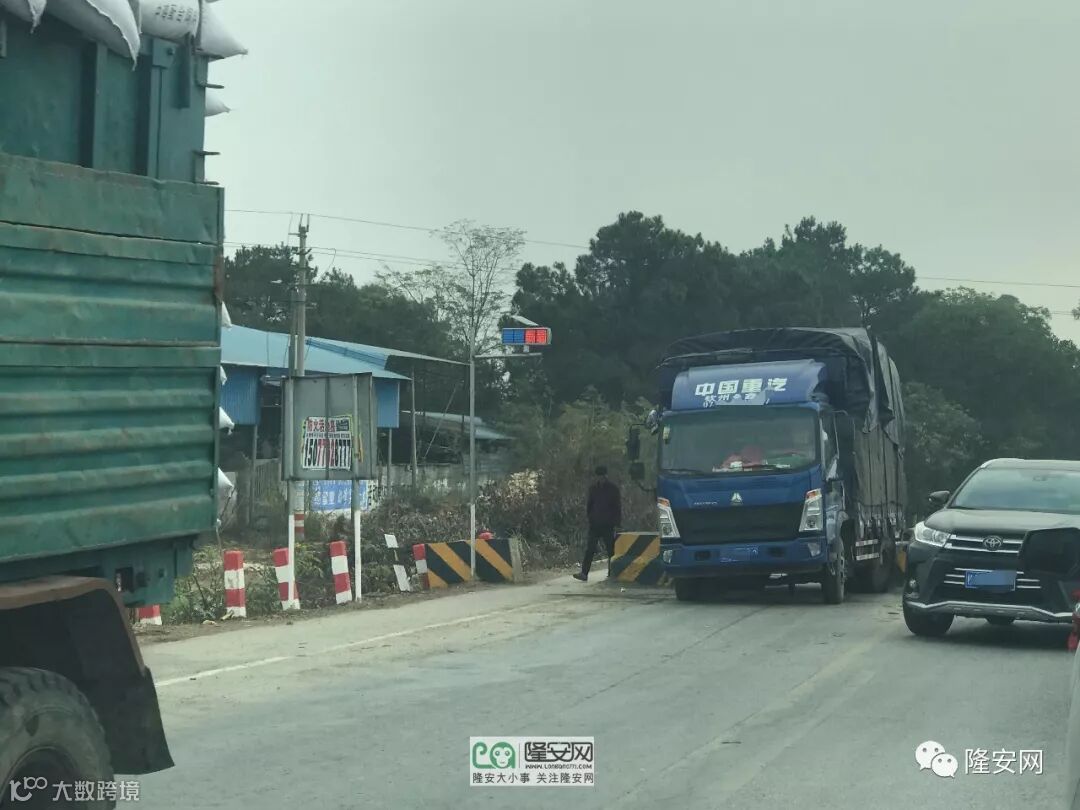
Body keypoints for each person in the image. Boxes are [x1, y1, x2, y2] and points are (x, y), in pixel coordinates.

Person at [574, 466, 622, 582]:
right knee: (590, 549)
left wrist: (617, 522)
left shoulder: (613, 489)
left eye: (602, 476)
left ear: (606, 476)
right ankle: (584, 573)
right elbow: (589, 505)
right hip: (595, 524)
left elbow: (617, 507)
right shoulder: (593, 488)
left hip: (608, 524)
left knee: (611, 550)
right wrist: (590, 518)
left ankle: (612, 573)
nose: (601, 478)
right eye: (599, 476)